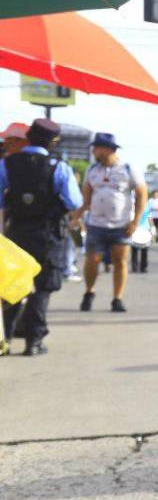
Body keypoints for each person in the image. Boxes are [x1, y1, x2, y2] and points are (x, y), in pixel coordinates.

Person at [0, 119, 82, 356]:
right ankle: (34, 341)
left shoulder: (7, 164)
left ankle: (5, 337)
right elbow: (73, 202)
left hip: (16, 233)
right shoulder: (59, 167)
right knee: (42, 287)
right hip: (47, 235)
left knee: (13, 283)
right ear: (53, 142)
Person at [79, 132, 146, 313]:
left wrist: (135, 221)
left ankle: (117, 298)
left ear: (107, 149)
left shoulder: (128, 169)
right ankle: (89, 291)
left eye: (96, 148)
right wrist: (78, 215)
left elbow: (141, 195)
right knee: (92, 260)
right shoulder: (92, 170)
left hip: (121, 225)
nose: (93, 151)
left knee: (120, 261)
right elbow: (86, 198)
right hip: (96, 224)